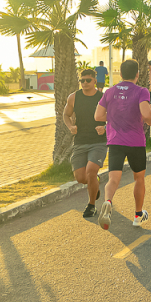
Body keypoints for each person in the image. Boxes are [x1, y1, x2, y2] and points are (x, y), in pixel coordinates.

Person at [95, 59, 151, 229]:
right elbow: (145, 114)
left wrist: (115, 116)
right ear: (137, 74)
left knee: (113, 179)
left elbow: (98, 116)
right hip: (136, 143)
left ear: (120, 74)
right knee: (139, 178)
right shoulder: (142, 91)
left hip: (115, 142)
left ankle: (108, 202)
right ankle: (137, 216)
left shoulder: (109, 91)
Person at [63, 68, 106, 217]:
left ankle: (91, 205)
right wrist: (70, 126)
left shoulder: (103, 97)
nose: (85, 83)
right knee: (81, 178)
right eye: (82, 81)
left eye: (88, 80)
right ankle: (95, 183)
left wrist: (106, 127)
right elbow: (66, 114)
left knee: (91, 171)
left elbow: (115, 116)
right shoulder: (74, 97)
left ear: (95, 81)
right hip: (80, 141)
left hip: (98, 142)